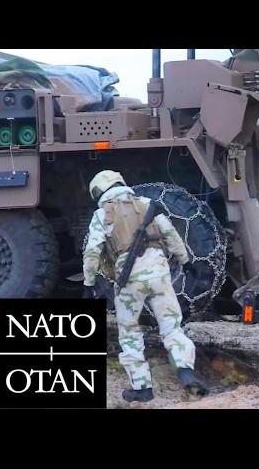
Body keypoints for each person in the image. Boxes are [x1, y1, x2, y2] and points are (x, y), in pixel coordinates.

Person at [83, 170, 208, 402]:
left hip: (129, 279)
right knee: (172, 326)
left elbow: (92, 252)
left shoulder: (102, 214)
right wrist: (185, 261)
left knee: (130, 332)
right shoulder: (146, 204)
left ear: (99, 192)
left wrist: (89, 283)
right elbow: (170, 234)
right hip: (160, 272)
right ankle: (185, 369)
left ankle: (142, 387)